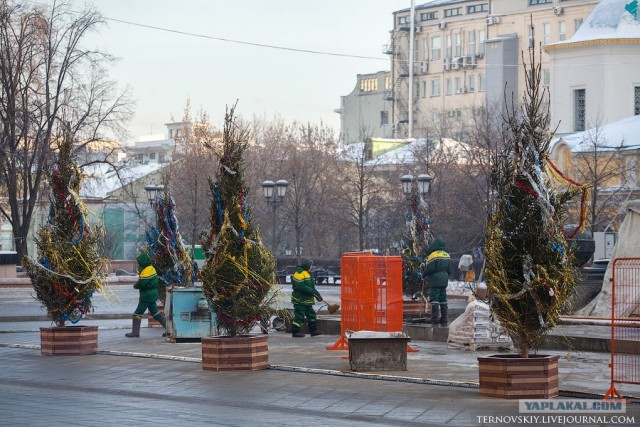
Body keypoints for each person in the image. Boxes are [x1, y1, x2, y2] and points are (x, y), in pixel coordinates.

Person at [125, 252, 169, 338]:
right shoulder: (151, 268)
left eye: (140, 262)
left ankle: (135, 332)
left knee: (137, 313)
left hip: (146, 296)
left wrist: (135, 285)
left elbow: (141, 283)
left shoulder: (146, 271)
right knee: (156, 314)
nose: (139, 264)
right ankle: (169, 330)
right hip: (152, 294)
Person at [290, 259, 324, 338]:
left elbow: (311, 287)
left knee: (311, 315)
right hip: (299, 299)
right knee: (299, 316)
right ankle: (295, 332)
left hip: (307, 299)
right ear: (307, 265)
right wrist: (311, 291)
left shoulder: (308, 273)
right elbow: (300, 286)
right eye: (311, 265)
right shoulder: (299, 273)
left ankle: (313, 331)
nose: (312, 267)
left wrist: (318, 295)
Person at [424, 238, 451, 325]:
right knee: (443, 298)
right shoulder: (446, 255)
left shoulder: (433, 255)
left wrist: (423, 274)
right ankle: (444, 318)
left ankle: (434, 318)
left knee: (435, 298)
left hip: (435, 279)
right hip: (444, 279)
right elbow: (449, 270)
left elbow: (430, 268)